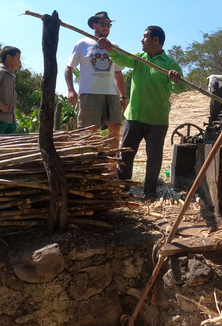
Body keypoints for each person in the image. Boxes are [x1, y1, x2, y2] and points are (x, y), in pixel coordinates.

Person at [99, 25, 186, 200]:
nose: (141, 39)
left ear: (156, 40)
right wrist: (110, 50)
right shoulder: (138, 58)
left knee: (154, 158)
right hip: (134, 117)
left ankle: (149, 192)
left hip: (157, 119)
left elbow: (180, 88)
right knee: (126, 154)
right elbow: (122, 60)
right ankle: (123, 190)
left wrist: (176, 79)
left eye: (144, 37)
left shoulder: (170, 64)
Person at [65, 11, 126, 143]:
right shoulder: (82, 44)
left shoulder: (114, 47)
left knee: (115, 130)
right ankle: (87, 162)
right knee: (88, 132)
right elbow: (69, 68)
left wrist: (123, 96)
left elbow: (118, 73)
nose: (106, 27)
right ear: (94, 25)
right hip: (89, 93)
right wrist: (70, 89)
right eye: (103, 24)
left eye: (109, 25)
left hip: (111, 94)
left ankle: (112, 163)